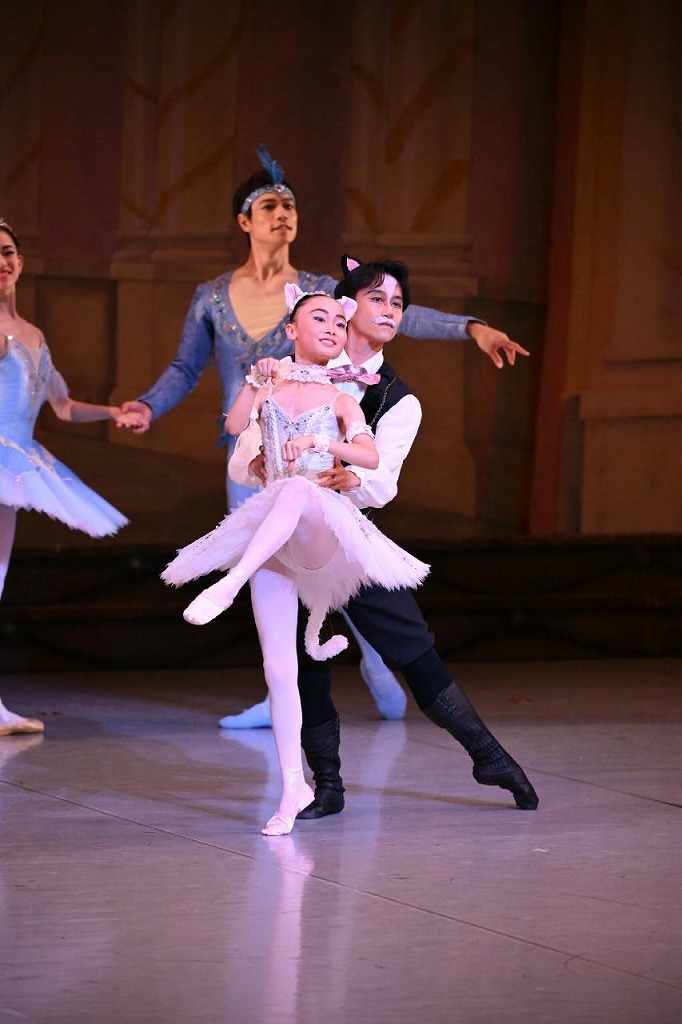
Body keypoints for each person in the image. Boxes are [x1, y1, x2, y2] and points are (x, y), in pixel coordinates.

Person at [120, 145, 527, 728]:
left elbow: (394, 312)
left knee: (336, 567)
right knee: (274, 581)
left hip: (314, 450)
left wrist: (471, 328)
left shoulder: (320, 289)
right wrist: (147, 405)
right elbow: (186, 368)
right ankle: (279, 695)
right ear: (244, 221)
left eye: (289, 205)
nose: (282, 214)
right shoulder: (211, 295)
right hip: (257, 455)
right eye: (269, 206)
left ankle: (376, 660)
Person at [232, 255, 538, 817]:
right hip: (288, 536)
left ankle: (489, 756)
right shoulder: (294, 365)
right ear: (346, 306)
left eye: (398, 303)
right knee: (303, 660)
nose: (390, 311)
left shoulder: (399, 399)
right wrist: (253, 462)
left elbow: (383, 480)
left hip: (348, 535)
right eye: (378, 299)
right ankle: (326, 785)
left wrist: (354, 477)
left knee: (412, 648)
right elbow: (245, 443)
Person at [161, 287, 429, 836]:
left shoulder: (342, 399)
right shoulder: (270, 387)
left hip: (321, 526)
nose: (333, 327)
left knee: (298, 491)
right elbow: (234, 427)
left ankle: (228, 583)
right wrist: (253, 383)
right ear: (290, 330)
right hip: (274, 538)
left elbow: (370, 454)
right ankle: (292, 788)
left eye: (339, 321)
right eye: (319, 318)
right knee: (280, 669)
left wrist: (321, 447)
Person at [0, 217, 131, 737]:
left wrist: (113, 412)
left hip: (19, 461)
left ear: (20, 260)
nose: (2, 262)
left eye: (7, 251)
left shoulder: (33, 333)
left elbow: (62, 405)